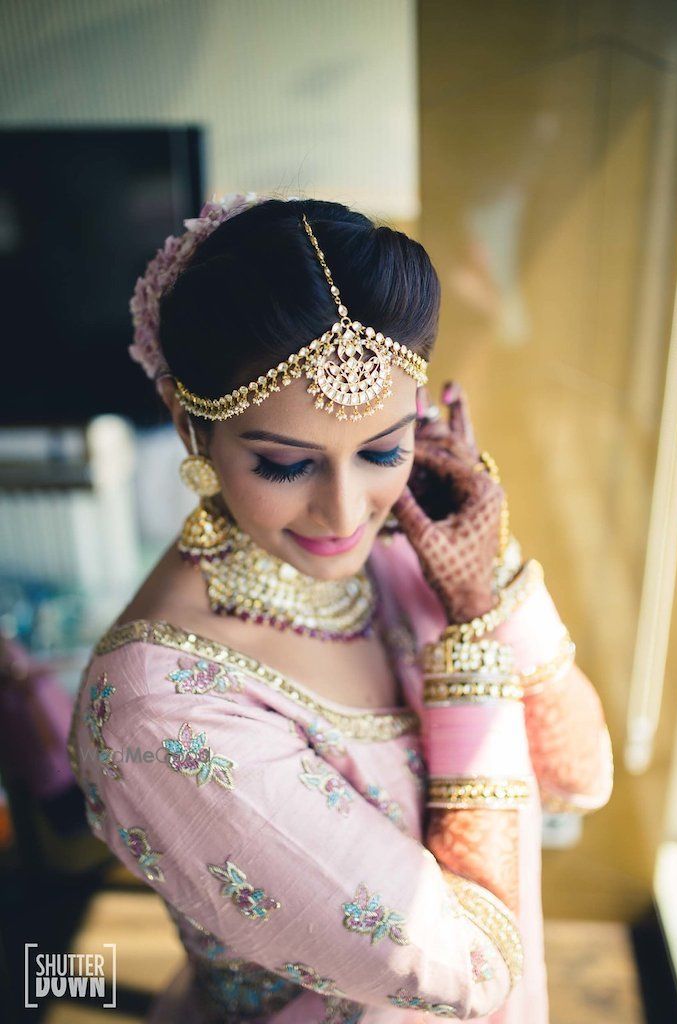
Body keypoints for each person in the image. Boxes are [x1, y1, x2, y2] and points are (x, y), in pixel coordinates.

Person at [67, 193, 614, 1023]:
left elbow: (579, 778)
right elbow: (472, 970)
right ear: (190, 427)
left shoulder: (415, 544)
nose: (345, 512)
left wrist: (487, 583)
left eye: (382, 449)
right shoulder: (162, 713)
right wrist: (468, 650)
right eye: (286, 465)